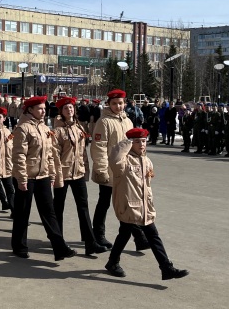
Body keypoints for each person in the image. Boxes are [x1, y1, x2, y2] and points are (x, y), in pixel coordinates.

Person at [104, 128, 189, 281]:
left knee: (144, 235)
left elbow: (147, 186)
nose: (141, 144)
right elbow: (114, 161)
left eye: (143, 141)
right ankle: (114, 262)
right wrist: (125, 143)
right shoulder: (124, 160)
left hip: (144, 206)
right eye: (136, 141)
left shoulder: (146, 160)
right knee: (127, 234)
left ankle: (165, 268)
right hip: (128, 206)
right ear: (130, 143)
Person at [11, 96, 76, 260]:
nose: (43, 111)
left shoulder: (45, 128)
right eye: (39, 108)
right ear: (29, 110)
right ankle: (19, 246)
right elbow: (19, 155)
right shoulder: (23, 128)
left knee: (49, 212)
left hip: (43, 176)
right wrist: (22, 178)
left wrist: (52, 174)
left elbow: (50, 155)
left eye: (44, 108)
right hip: (27, 176)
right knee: (22, 212)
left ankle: (59, 247)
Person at [90, 89, 149, 251]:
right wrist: (101, 169)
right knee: (105, 203)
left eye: (121, 103)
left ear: (125, 103)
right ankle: (98, 235)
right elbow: (99, 147)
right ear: (108, 104)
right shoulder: (104, 122)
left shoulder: (127, 121)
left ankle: (139, 238)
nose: (118, 106)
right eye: (114, 103)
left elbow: (132, 146)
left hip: (125, 170)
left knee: (127, 203)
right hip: (109, 171)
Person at [52, 96, 106, 255]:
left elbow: (82, 153)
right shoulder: (57, 131)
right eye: (66, 108)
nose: (70, 110)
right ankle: (58, 241)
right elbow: (55, 156)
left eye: (71, 107)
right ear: (61, 111)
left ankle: (90, 243)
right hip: (63, 173)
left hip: (78, 173)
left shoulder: (79, 128)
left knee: (83, 207)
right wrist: (57, 175)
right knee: (58, 208)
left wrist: (85, 169)